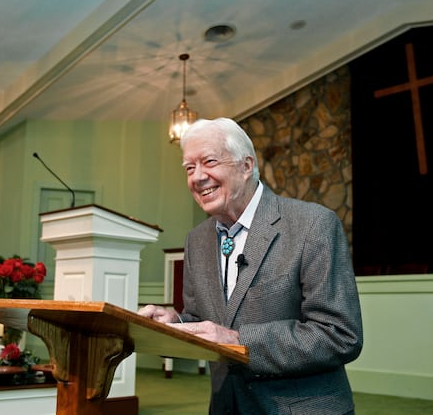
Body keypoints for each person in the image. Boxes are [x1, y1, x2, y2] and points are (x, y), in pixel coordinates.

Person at [139, 117, 363, 414]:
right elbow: (204, 321)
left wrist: (237, 341)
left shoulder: (313, 225)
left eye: (209, 161)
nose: (197, 177)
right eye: (189, 168)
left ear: (246, 166)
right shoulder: (196, 240)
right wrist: (175, 325)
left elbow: (339, 334)